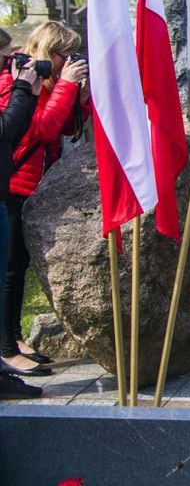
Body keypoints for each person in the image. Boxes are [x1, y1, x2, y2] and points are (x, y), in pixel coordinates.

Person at [1, 21, 89, 379]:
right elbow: (41, 129)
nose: (67, 61)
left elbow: (66, 128)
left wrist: (78, 98)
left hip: (32, 185)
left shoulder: (44, 81)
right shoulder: (15, 79)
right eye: (64, 55)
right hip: (13, 185)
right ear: (49, 51)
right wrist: (66, 85)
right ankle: (6, 349)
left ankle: (14, 337)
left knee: (16, 267)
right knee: (9, 270)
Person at [0, 29, 42, 399]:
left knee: (6, 277)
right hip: (10, 189)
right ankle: (6, 350)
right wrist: (21, 91)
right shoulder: (10, 88)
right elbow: (8, 131)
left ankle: (4, 360)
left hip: (6, 191)